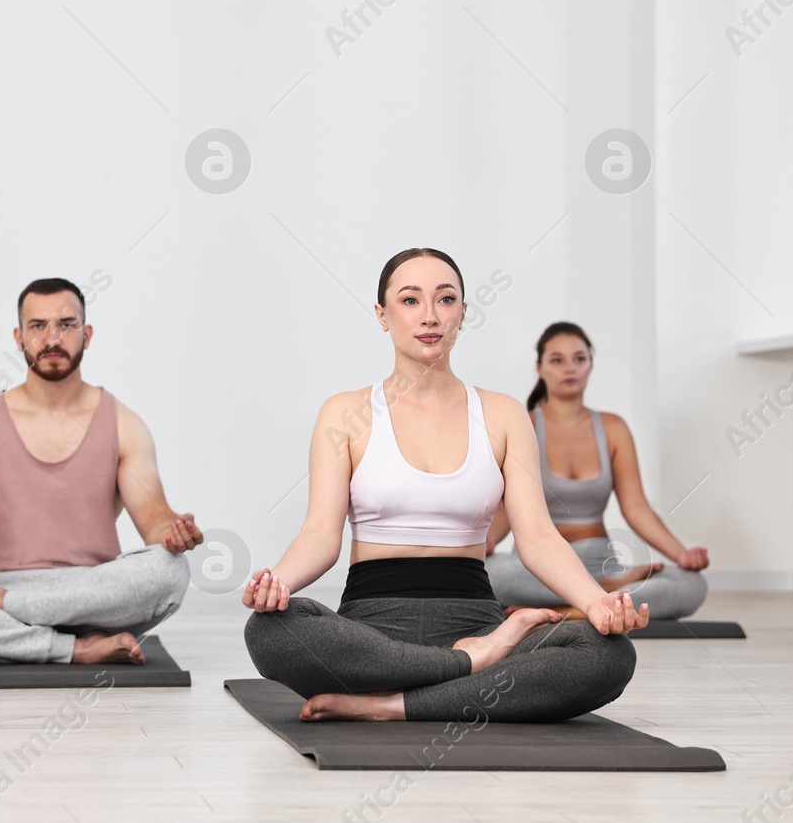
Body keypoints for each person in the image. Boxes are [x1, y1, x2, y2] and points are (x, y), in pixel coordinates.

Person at [243, 248, 646, 723]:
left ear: (463, 313)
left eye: (446, 299)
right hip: (372, 629)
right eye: (410, 300)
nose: (430, 316)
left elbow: (536, 537)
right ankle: (469, 669)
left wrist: (597, 603)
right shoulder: (345, 413)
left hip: (475, 618)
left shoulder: (502, 414)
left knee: (609, 655)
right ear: (382, 315)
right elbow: (319, 535)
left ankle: (395, 703)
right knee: (268, 631)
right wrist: (277, 586)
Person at [0, 277, 196, 665]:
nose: (52, 338)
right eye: (38, 326)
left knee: (171, 570)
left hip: (91, 593)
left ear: (87, 334)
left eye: (66, 324)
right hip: (4, 582)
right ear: (19, 336)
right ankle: (75, 647)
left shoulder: (125, 423)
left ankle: (15, 616)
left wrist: (174, 533)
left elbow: (153, 518)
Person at [484, 322, 709, 619]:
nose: (570, 368)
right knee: (489, 573)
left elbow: (637, 508)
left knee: (692, 585)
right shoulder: (523, 425)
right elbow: (507, 510)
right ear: (540, 368)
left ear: (590, 364)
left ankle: (569, 609)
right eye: (557, 360)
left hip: (599, 561)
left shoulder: (613, 429)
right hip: (536, 567)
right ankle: (603, 597)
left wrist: (681, 555)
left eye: (579, 358)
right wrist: (480, 542)